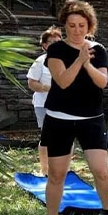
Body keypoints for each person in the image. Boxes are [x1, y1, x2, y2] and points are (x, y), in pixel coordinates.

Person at [40, 0, 108, 215]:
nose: (77, 30)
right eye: (72, 25)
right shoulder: (56, 50)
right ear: (65, 26)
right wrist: (79, 60)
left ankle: (107, 212)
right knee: (57, 175)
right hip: (59, 119)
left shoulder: (99, 50)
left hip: (91, 119)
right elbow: (63, 82)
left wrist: (87, 63)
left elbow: (103, 82)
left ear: (89, 26)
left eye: (81, 26)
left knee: (102, 171)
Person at [27, 26, 62, 176]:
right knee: (47, 137)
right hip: (44, 105)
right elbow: (31, 83)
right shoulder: (40, 62)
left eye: (59, 42)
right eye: (52, 42)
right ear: (45, 45)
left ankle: (62, 169)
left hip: (65, 105)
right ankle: (45, 170)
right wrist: (45, 87)